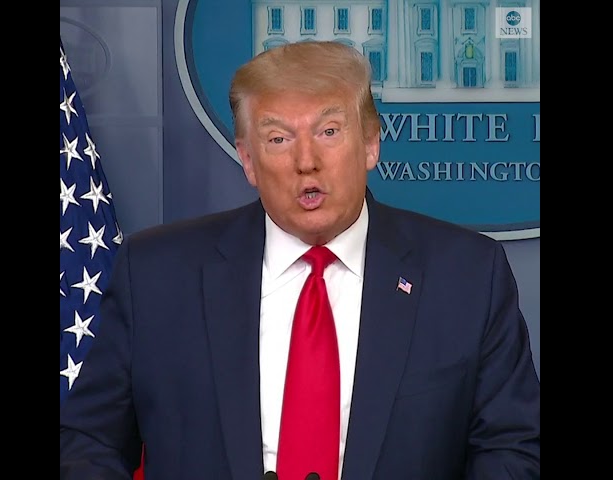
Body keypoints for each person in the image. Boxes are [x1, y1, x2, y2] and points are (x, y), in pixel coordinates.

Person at [60, 40, 540, 479]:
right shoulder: (157, 274)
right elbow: (89, 442)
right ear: (248, 160)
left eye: (329, 131)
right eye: (278, 138)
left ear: (370, 143)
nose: (306, 160)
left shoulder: (466, 275)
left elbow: (512, 447)